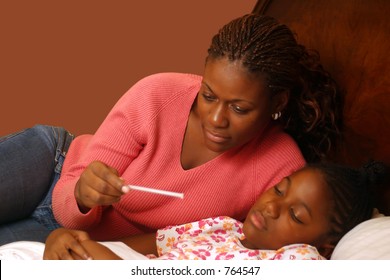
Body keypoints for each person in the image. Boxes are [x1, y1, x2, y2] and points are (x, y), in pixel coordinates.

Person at [0, 14, 342, 245]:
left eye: (239, 108)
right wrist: (81, 195)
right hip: (54, 167)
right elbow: (67, 204)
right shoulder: (157, 95)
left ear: (277, 102)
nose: (216, 119)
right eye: (208, 96)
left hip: (81, 240)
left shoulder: (280, 170)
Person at [0, 161, 385, 260]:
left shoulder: (298, 260)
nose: (270, 208)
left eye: (296, 216)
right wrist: (66, 240)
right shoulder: (221, 227)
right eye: (278, 190)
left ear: (328, 244)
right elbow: (123, 247)